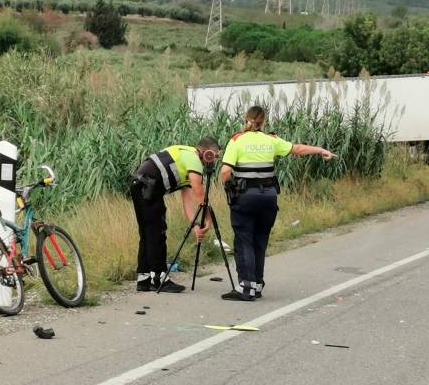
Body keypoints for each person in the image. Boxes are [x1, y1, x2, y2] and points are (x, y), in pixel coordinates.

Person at [220, 106, 336, 301]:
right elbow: (298, 149)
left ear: (245, 119)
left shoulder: (237, 140)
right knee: (260, 241)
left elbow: (225, 171)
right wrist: (321, 150)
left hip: (246, 198)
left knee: (244, 240)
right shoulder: (271, 140)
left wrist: (228, 187)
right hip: (269, 198)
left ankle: (245, 287)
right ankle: (256, 285)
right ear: (264, 122)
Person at [130, 137, 221, 293]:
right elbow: (200, 193)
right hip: (149, 186)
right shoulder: (193, 159)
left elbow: (187, 201)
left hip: (141, 185)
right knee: (157, 232)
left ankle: (144, 278)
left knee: (147, 233)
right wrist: (208, 220)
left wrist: (195, 226)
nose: (214, 160)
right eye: (214, 155)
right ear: (206, 152)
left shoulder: (185, 158)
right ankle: (159, 278)